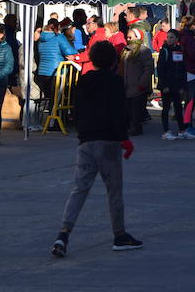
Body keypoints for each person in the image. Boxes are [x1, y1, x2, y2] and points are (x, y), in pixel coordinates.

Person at [51, 40, 141, 258]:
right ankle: (119, 235)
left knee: (80, 189)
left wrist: (82, 134)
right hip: (108, 140)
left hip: (86, 140)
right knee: (114, 190)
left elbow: (77, 110)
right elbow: (118, 112)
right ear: (113, 61)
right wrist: (124, 138)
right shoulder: (115, 81)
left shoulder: (83, 81)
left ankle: (63, 234)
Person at [36, 19, 76, 126]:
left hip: (42, 73)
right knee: (57, 100)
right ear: (57, 27)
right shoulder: (59, 38)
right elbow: (70, 52)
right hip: (57, 72)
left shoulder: (41, 38)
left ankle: (47, 121)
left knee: (50, 98)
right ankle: (54, 123)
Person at [155, 29, 189, 140]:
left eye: (172, 37)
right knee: (166, 108)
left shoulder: (179, 50)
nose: (169, 39)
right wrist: (164, 85)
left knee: (178, 108)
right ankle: (166, 131)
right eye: (168, 37)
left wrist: (182, 85)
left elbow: (182, 68)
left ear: (177, 39)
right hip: (167, 85)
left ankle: (182, 130)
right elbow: (160, 69)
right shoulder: (164, 50)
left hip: (177, 84)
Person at [121, 28, 154, 137]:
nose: (128, 39)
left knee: (136, 110)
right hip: (127, 84)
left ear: (137, 37)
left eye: (130, 37)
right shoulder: (126, 50)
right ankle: (130, 127)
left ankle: (136, 127)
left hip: (138, 85)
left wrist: (142, 83)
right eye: (127, 37)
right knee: (128, 109)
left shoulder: (143, 50)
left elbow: (148, 68)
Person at [178, 16, 195, 136]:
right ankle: (187, 126)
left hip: (187, 70)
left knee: (189, 100)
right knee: (191, 100)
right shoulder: (189, 38)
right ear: (192, 26)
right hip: (191, 71)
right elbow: (192, 55)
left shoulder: (183, 36)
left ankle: (187, 124)